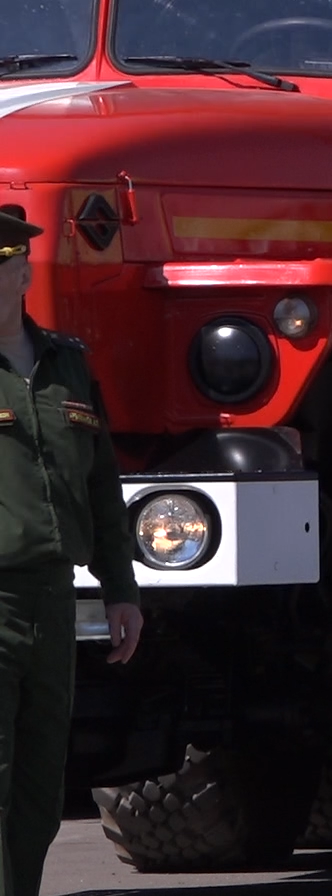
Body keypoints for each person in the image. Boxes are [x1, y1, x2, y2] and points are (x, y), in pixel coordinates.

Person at [0, 205, 142, 895]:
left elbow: (102, 487)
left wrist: (122, 590)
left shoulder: (67, 367)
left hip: (53, 601)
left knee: (38, 787)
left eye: (2, 267)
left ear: (23, 270)